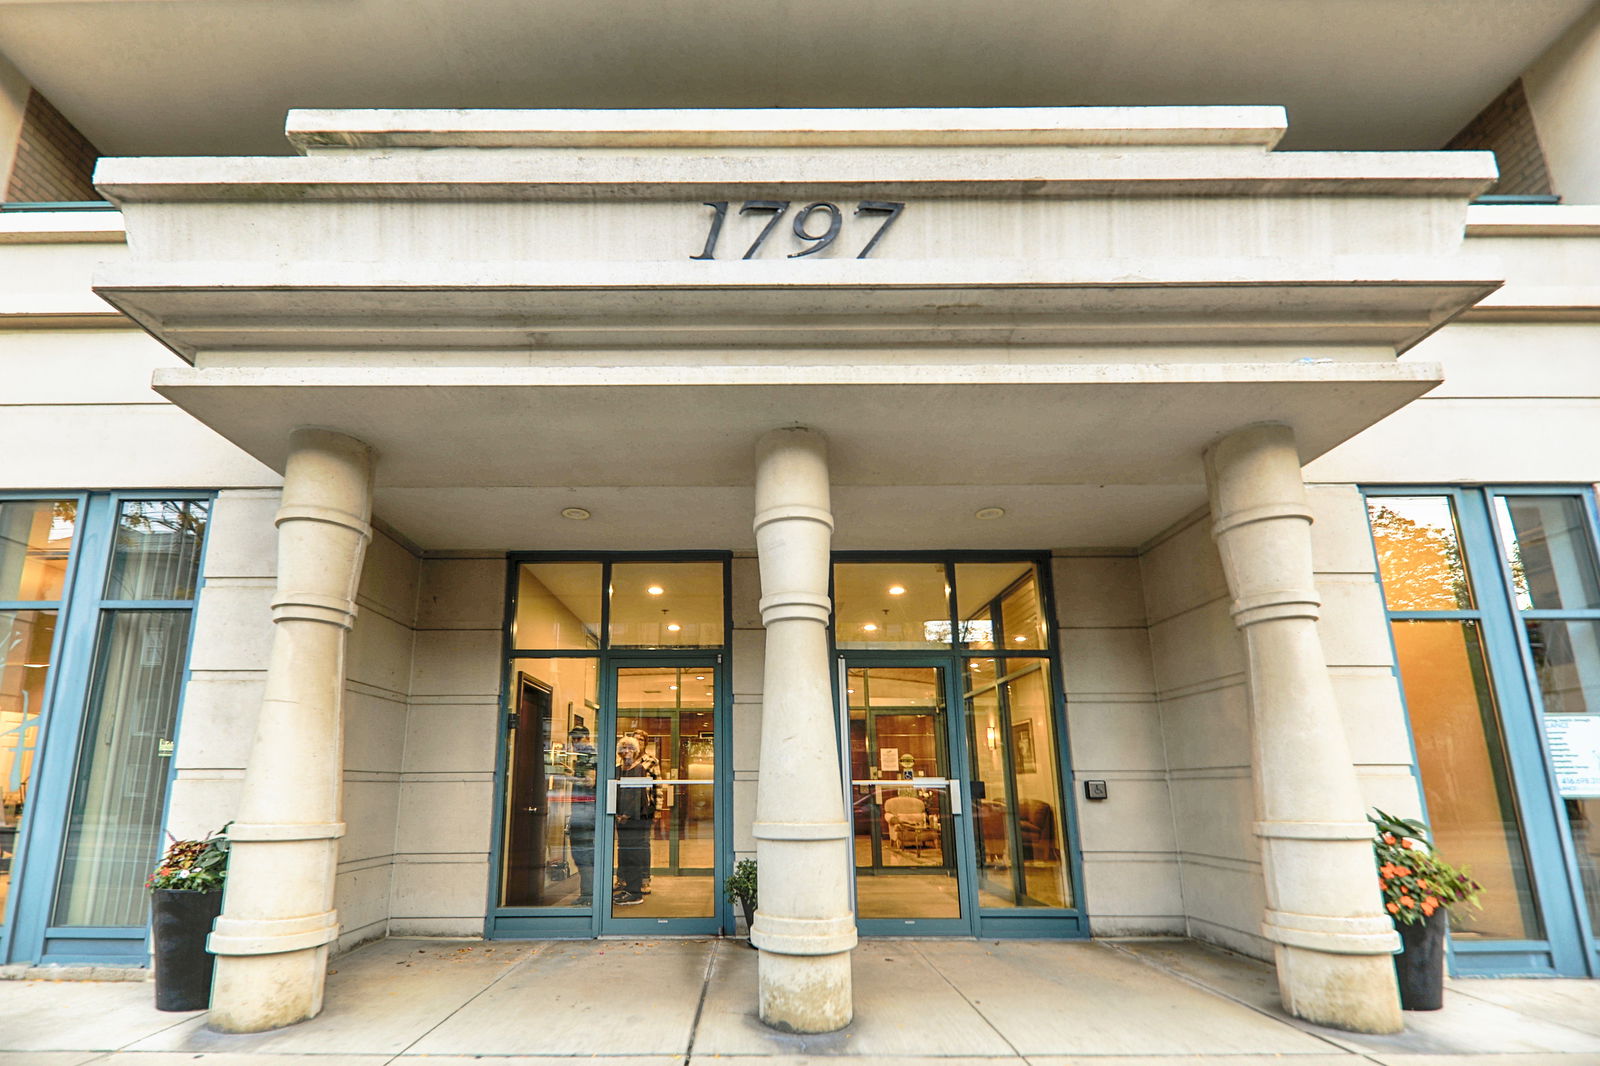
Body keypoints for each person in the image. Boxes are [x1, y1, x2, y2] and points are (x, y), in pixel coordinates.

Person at [612, 733, 658, 906]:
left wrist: (627, 814)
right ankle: (627, 888)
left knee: (634, 853)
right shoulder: (617, 770)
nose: (627, 751)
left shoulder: (640, 770)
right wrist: (617, 813)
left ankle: (635, 892)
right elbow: (615, 792)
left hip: (636, 819)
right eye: (623, 748)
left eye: (631, 748)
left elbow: (639, 796)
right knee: (624, 853)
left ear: (637, 751)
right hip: (620, 819)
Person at [564, 725, 598, 904]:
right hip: (585, 810)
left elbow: (590, 782)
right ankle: (589, 894)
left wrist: (569, 778)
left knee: (582, 854)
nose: (575, 743)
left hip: (585, 812)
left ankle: (588, 895)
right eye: (573, 739)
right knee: (586, 854)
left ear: (587, 738)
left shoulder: (589, 756)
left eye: (578, 739)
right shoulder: (585, 757)